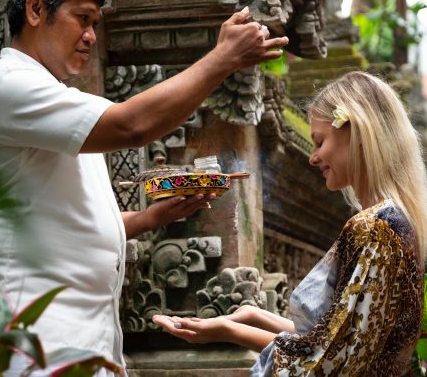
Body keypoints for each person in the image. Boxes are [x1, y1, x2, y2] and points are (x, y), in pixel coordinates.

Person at [0, 0, 289, 374]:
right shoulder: (9, 87)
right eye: (82, 19)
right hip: (30, 343)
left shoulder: (53, 99)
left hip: (76, 343)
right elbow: (131, 125)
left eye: (96, 24)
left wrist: (150, 217)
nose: (90, 36)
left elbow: (67, 221)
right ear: (35, 10)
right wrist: (222, 60)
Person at [153, 71, 427, 376]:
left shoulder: (374, 228)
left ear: (357, 132)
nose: (312, 158)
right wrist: (254, 316)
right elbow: (338, 336)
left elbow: (330, 359)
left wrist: (228, 332)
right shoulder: (396, 222)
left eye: (319, 142)